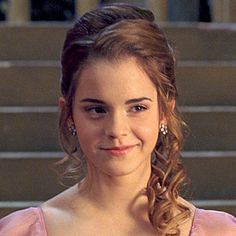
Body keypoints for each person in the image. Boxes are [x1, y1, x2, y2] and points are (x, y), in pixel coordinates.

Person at [0, 3, 235, 236]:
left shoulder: (220, 232)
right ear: (69, 114)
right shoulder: (20, 231)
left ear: (164, 111)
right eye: (97, 110)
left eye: (137, 107)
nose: (116, 130)